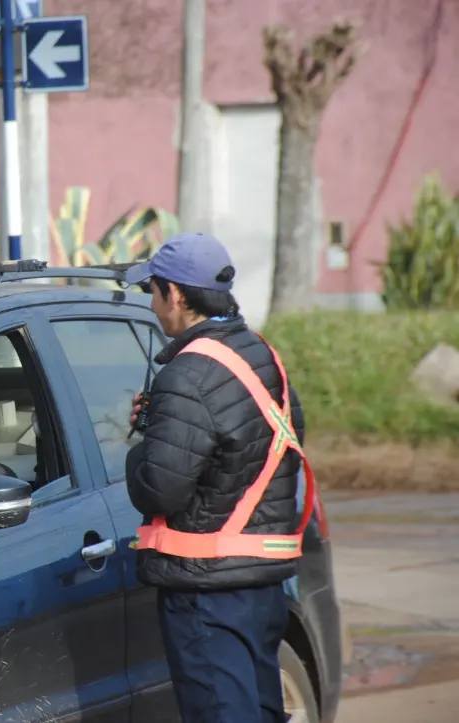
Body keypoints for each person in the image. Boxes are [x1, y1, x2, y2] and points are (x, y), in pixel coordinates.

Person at [123, 232, 315, 723]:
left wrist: (140, 445)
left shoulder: (186, 376)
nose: (152, 304)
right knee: (260, 710)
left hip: (207, 592)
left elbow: (157, 488)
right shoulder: (260, 353)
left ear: (178, 295)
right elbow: (287, 433)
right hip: (262, 584)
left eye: (153, 291)